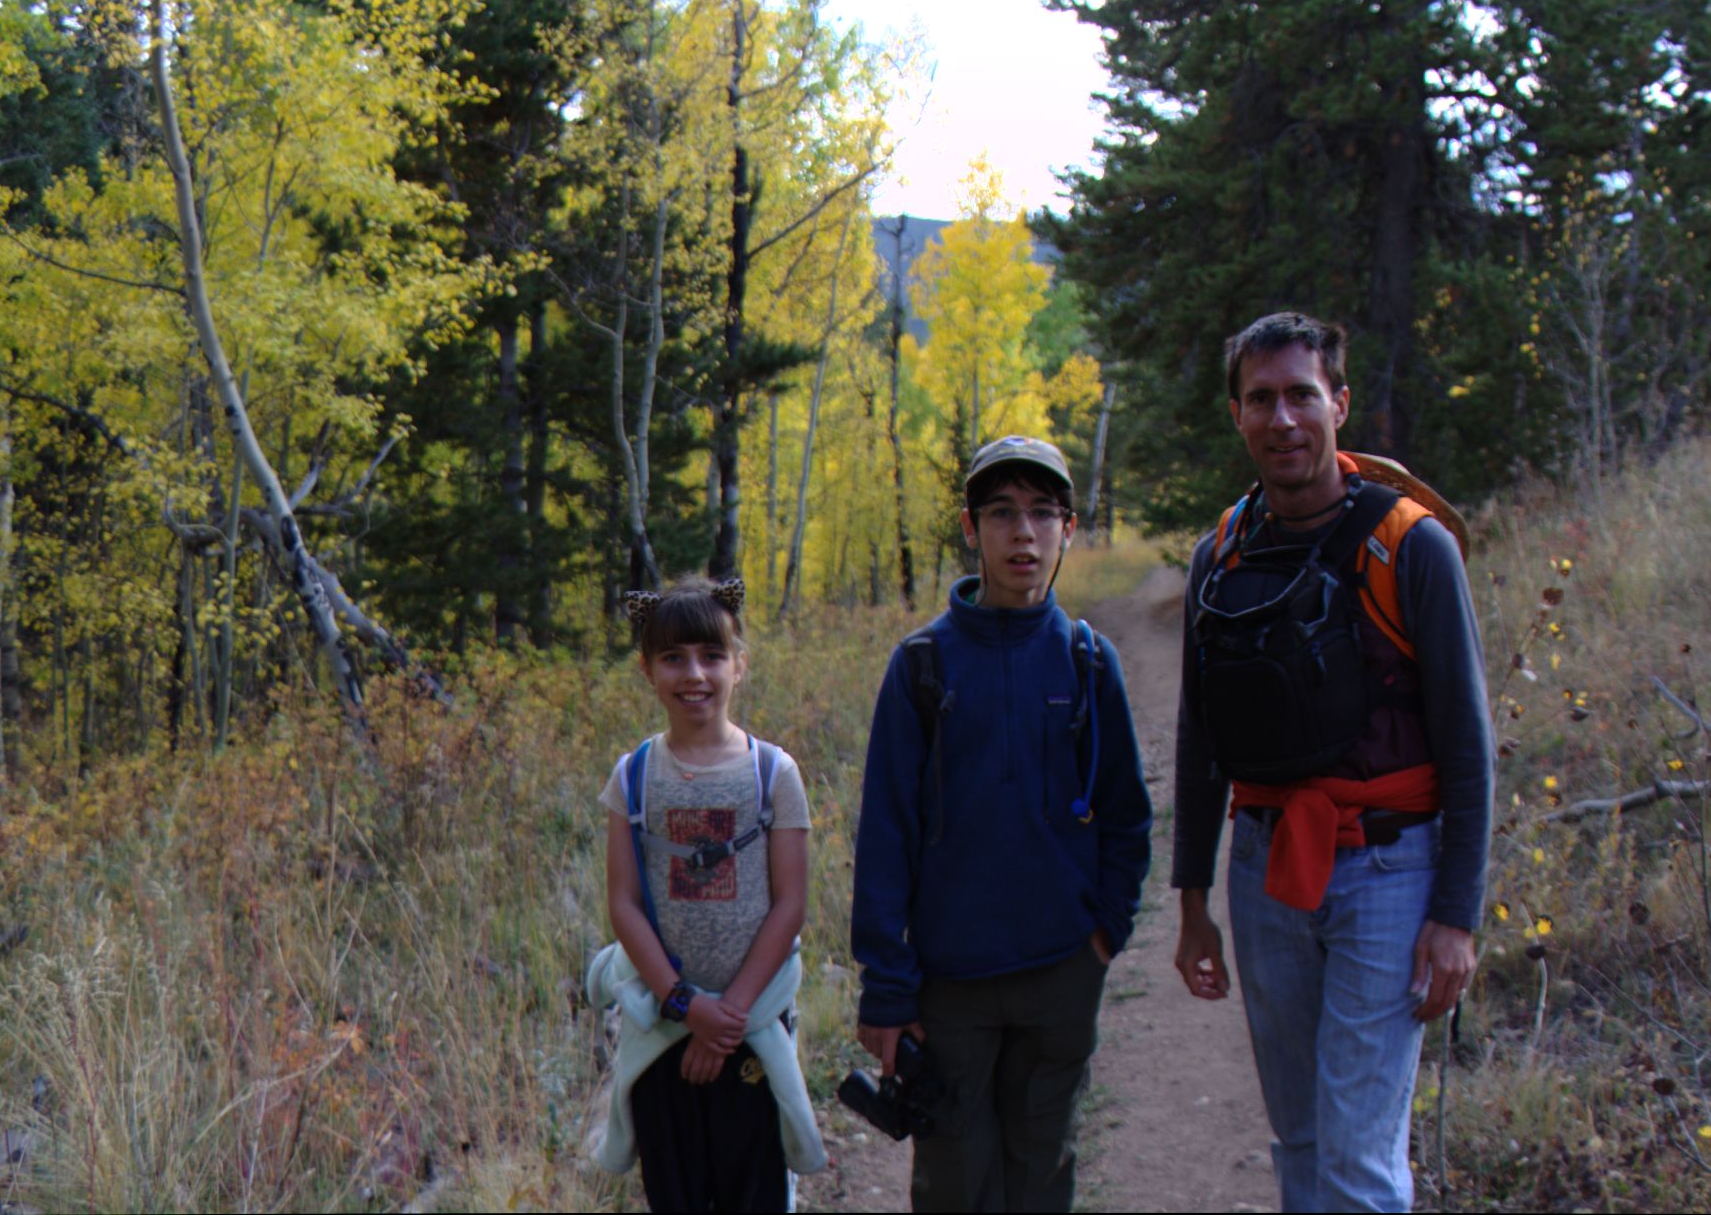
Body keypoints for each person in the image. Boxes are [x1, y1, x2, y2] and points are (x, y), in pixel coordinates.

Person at [1171, 314, 1494, 1213]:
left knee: (1357, 1161)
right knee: (1302, 1140)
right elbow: (1201, 735)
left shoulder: (1411, 547)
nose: (1283, 420)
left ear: (1339, 404)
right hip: (1265, 868)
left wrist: (1454, 917)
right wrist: (1192, 903)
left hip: (1389, 870)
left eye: (1301, 396)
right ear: (1236, 414)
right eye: (1261, 399)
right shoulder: (1220, 554)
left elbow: (1467, 744)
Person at [852, 436, 1152, 1213]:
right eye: (1002, 514)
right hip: (950, 983)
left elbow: (1126, 815)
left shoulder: (1088, 662)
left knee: (1041, 1170)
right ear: (969, 527)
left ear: (1068, 530)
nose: (1023, 533)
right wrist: (888, 986)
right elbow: (885, 835)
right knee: (952, 1177)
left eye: (1042, 515)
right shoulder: (921, 665)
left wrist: (1103, 935)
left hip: (1061, 972)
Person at [585, 577, 825, 1212]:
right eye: (673, 658)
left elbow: (790, 904)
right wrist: (686, 1005)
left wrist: (727, 1019)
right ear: (647, 670)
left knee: (756, 1192)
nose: (694, 674)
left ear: (739, 665)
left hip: (752, 1030)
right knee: (677, 1193)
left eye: (712, 656)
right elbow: (624, 904)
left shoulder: (773, 774)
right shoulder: (633, 778)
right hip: (663, 1030)